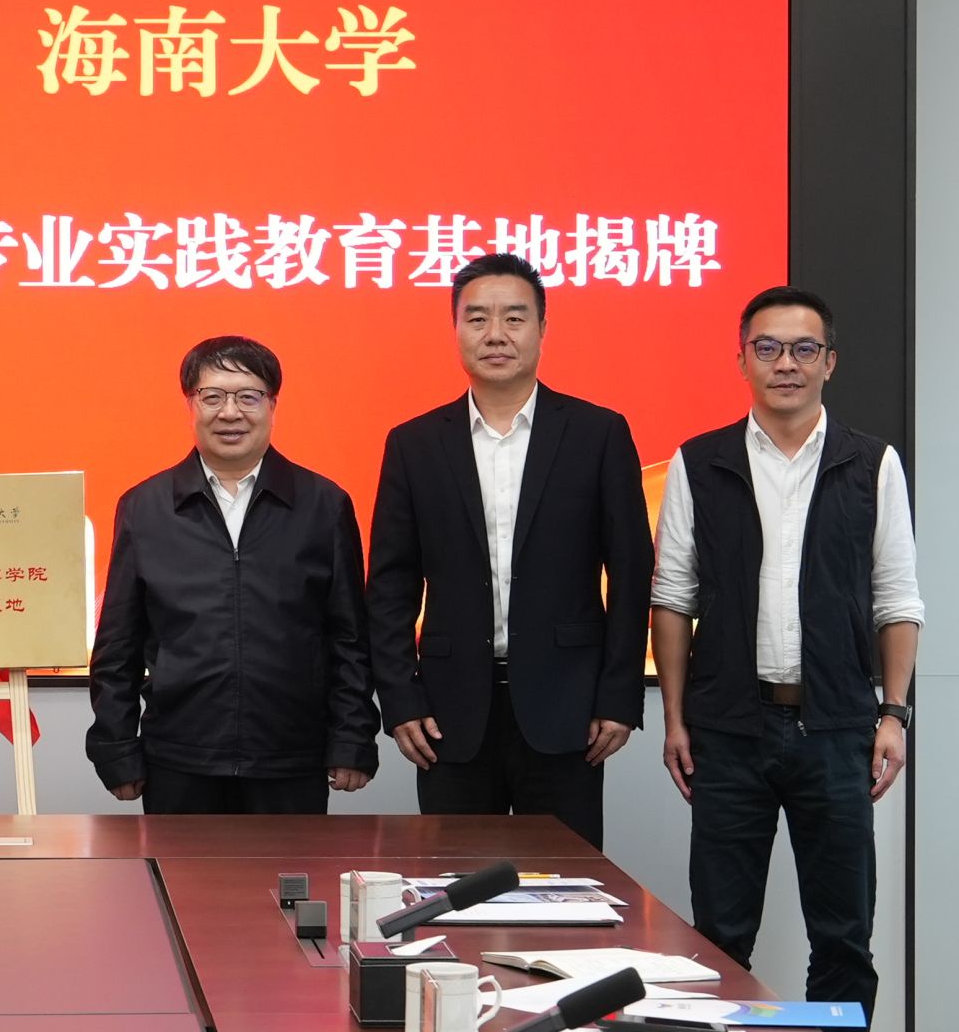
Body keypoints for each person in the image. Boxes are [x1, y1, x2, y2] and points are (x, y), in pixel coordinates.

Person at [651, 285, 920, 1017]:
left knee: (843, 938)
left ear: (830, 361)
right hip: (729, 730)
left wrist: (893, 713)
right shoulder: (699, 461)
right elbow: (673, 597)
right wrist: (674, 717)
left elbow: (897, 600)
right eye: (767, 348)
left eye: (804, 349)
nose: (786, 364)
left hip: (836, 728)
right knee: (719, 936)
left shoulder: (872, 464)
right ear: (741, 359)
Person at [366, 253, 652, 849]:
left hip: (568, 706)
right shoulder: (415, 443)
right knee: (456, 880)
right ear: (456, 330)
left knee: (566, 883)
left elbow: (631, 573)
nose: (495, 334)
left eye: (514, 318)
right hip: (449, 711)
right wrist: (399, 697)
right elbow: (391, 584)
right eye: (477, 319)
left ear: (542, 329)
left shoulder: (598, 434)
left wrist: (619, 695)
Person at [86, 335, 376, 813]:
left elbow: (349, 637)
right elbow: (118, 644)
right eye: (212, 396)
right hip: (179, 758)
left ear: (272, 405)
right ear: (190, 404)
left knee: (292, 868)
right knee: (182, 867)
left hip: (290, 758)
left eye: (248, 396)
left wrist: (352, 738)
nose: (230, 412)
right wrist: (116, 747)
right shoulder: (145, 507)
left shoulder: (324, 505)